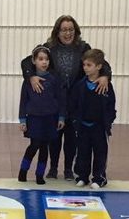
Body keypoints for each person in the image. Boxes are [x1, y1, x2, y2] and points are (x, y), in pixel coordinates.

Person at [20, 15, 111, 180]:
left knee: (71, 137)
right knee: (54, 136)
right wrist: (31, 76)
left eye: (70, 30)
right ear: (57, 31)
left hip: (75, 100)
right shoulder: (49, 47)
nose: (67, 33)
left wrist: (105, 75)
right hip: (55, 100)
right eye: (63, 30)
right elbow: (27, 62)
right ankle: (53, 168)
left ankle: (68, 169)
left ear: (76, 31)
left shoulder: (83, 48)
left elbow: (101, 62)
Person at [18, 45, 66, 185]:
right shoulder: (28, 81)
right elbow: (23, 100)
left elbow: (60, 98)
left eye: (46, 59)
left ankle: (40, 174)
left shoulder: (54, 79)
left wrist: (61, 117)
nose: (44, 62)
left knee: (45, 147)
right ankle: (23, 170)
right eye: (40, 59)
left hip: (50, 118)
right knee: (34, 145)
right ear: (34, 61)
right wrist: (22, 119)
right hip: (34, 118)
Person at [71, 49, 116, 189]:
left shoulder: (106, 86)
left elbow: (111, 105)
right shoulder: (79, 86)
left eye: (89, 65)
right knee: (82, 152)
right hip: (83, 126)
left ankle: (99, 178)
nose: (85, 68)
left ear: (99, 66)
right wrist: (75, 121)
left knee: (100, 153)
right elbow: (73, 104)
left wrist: (108, 121)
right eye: (84, 65)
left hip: (99, 126)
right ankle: (82, 176)